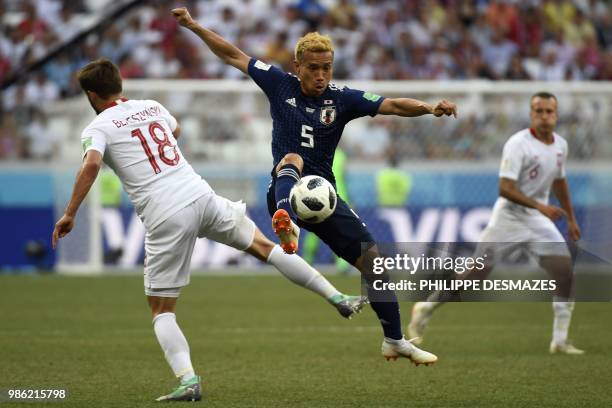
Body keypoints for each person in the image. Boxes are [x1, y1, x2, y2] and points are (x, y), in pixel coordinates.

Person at [51, 59, 368, 402]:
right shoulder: (151, 106)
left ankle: (188, 380)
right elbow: (174, 132)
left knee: (161, 309)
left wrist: (70, 213)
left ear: (91, 94)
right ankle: (338, 296)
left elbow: (93, 162)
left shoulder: (96, 128)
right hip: (200, 195)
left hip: (165, 213)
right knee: (265, 247)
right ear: (119, 83)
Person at [172, 7, 458, 365]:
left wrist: (430, 108)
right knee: (292, 159)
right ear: (298, 65)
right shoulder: (279, 84)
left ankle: (395, 339)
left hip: (324, 198)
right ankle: (285, 220)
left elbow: (393, 105)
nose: (321, 75)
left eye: (326, 68)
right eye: (313, 67)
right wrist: (194, 25)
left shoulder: (343, 98)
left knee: (376, 264)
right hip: (287, 189)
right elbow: (233, 55)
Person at [409, 92, 584, 355]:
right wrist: (541, 206)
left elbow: (560, 180)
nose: (544, 116)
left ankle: (559, 341)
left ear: (556, 115)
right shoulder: (518, 144)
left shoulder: (561, 145)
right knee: (474, 276)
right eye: (539, 111)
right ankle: (427, 307)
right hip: (508, 218)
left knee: (565, 272)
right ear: (531, 114)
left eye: (549, 111)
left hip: (537, 220)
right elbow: (505, 188)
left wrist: (570, 217)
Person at [303, 147, 351, 274]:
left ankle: (307, 259)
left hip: (319, 193)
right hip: (338, 194)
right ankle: (342, 265)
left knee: (315, 228)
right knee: (339, 230)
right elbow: (344, 177)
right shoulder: (341, 154)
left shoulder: (316, 151)